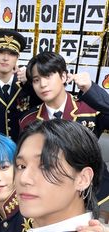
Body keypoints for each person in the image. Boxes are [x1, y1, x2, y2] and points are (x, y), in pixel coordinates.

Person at [19, 51, 109, 212]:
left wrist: (91, 90)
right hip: (47, 193)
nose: (43, 84)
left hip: (89, 193)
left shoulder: (89, 109)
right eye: (36, 80)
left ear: (64, 77)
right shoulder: (29, 120)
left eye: (48, 76)